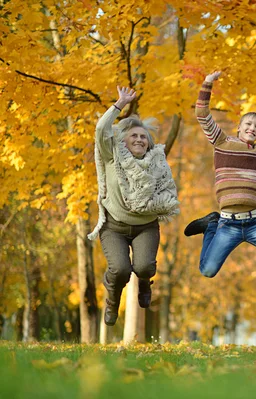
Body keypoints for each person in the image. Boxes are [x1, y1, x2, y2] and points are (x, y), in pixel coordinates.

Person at [184, 71, 256, 277]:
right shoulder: (221, 142)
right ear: (239, 127)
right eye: (248, 124)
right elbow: (202, 114)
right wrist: (208, 82)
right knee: (207, 270)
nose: (252, 128)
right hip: (227, 224)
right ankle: (211, 225)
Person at [88, 86, 179, 326]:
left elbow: (168, 193)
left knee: (144, 266)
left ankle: (145, 283)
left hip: (145, 226)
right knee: (120, 270)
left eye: (143, 137)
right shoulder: (112, 156)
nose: (139, 139)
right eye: (134, 136)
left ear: (149, 143)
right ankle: (112, 300)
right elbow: (100, 130)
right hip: (114, 226)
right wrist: (119, 105)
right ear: (123, 141)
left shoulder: (158, 164)